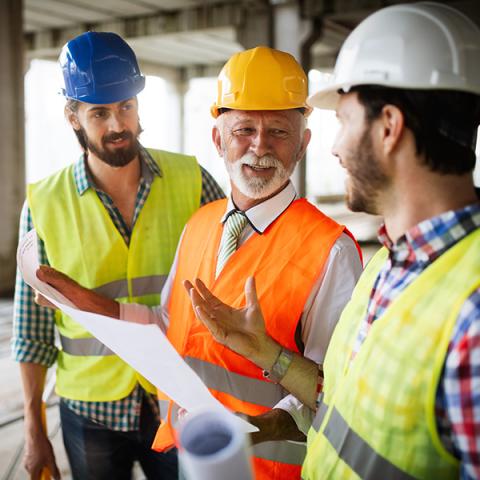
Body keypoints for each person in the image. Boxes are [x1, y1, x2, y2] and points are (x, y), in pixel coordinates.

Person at [36, 46, 363, 479]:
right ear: (218, 139)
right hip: (190, 457)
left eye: (279, 132)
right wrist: (87, 304)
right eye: (244, 128)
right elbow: (167, 323)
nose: (259, 146)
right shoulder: (201, 224)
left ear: (303, 143)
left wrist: (258, 428)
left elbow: (334, 391)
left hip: (267, 469)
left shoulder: (331, 250)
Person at [183, 3, 480, 479]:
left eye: (342, 120)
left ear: (388, 126)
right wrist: (268, 353)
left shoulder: (472, 311)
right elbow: (339, 398)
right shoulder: (387, 265)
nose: (335, 147)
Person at [12, 31, 224, 480]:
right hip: (91, 412)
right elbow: (31, 336)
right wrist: (35, 430)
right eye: (99, 113)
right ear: (73, 116)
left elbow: (232, 278)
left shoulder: (192, 180)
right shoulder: (44, 204)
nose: (116, 125)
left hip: (179, 397)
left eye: (126, 106)